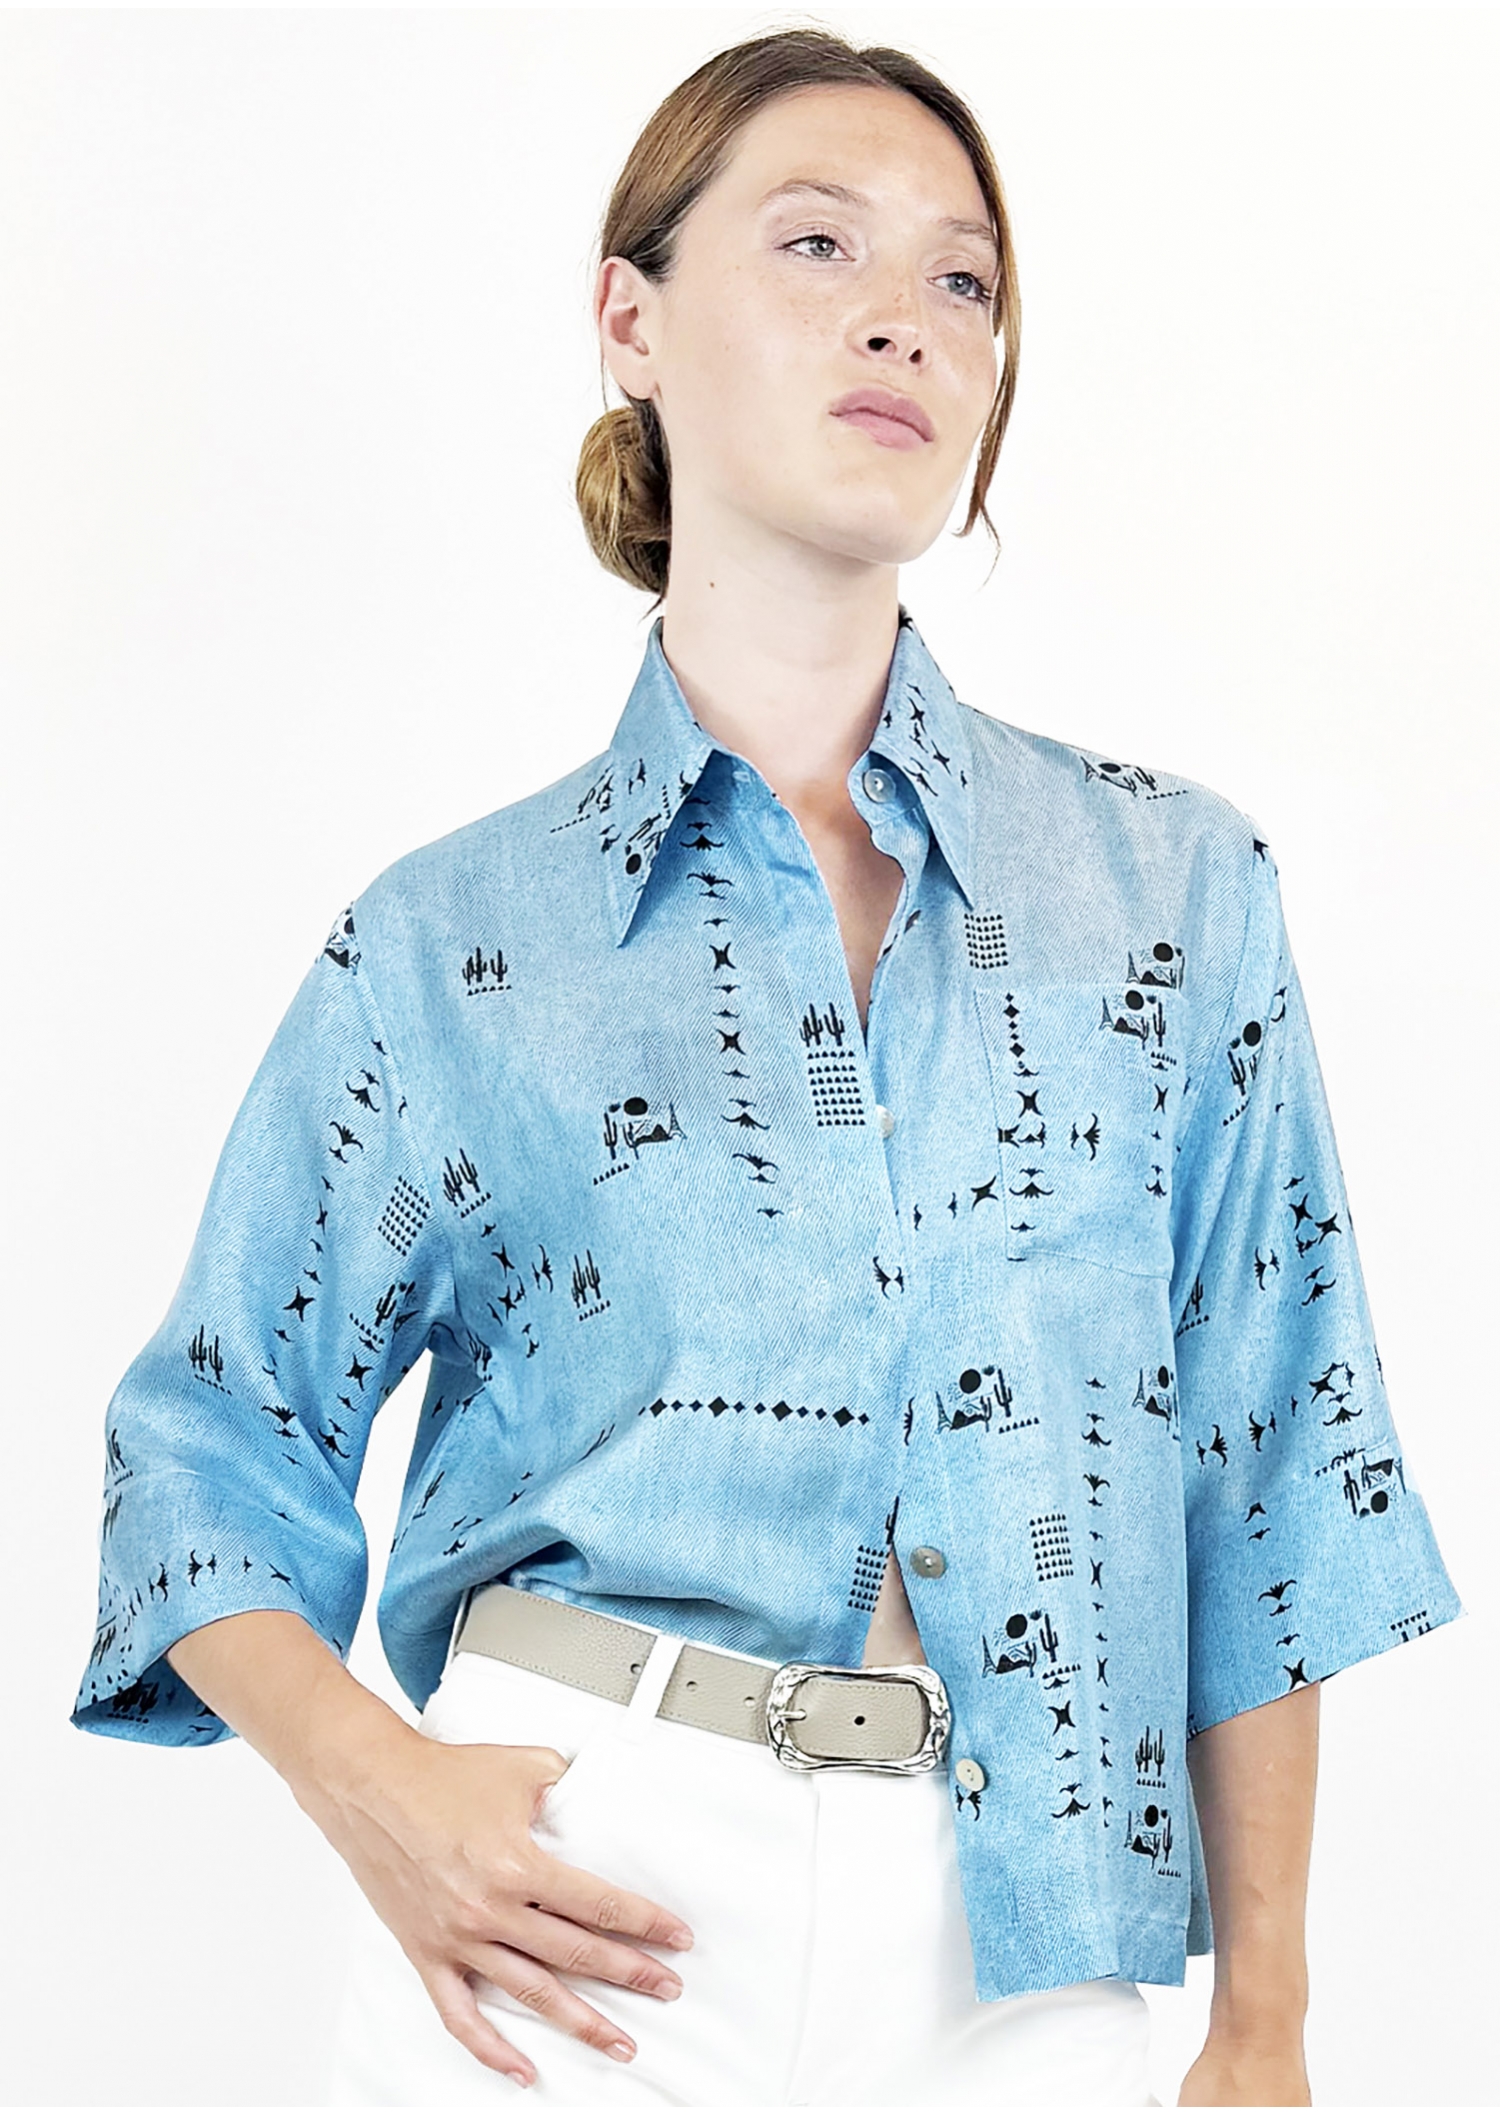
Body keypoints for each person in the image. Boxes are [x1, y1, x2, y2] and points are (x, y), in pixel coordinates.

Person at [71, 26, 1464, 2111]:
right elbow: (207, 1440)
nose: (906, 315)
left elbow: (1269, 1459)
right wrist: (378, 1790)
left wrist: (1264, 2023)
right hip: (567, 1913)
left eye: (964, 278)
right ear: (629, 322)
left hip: (1029, 1939)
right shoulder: (453, 940)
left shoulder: (1171, 895)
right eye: (819, 244)